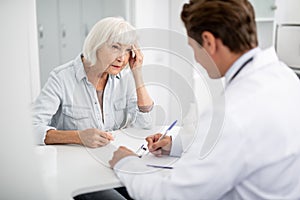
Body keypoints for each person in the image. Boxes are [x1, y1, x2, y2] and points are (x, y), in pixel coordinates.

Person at [109, 0, 300, 199]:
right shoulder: (286, 78)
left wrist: (127, 163)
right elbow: (246, 145)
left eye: (193, 47)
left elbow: (169, 196)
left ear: (208, 41)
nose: (197, 58)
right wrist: (176, 144)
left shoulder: (232, 114)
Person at [33, 17, 154, 147]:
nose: (122, 58)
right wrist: (78, 137)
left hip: (113, 157)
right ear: (96, 45)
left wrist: (137, 74)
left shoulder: (125, 78)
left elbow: (144, 126)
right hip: (72, 161)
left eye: (128, 50)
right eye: (115, 47)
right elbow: (31, 129)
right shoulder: (61, 78)